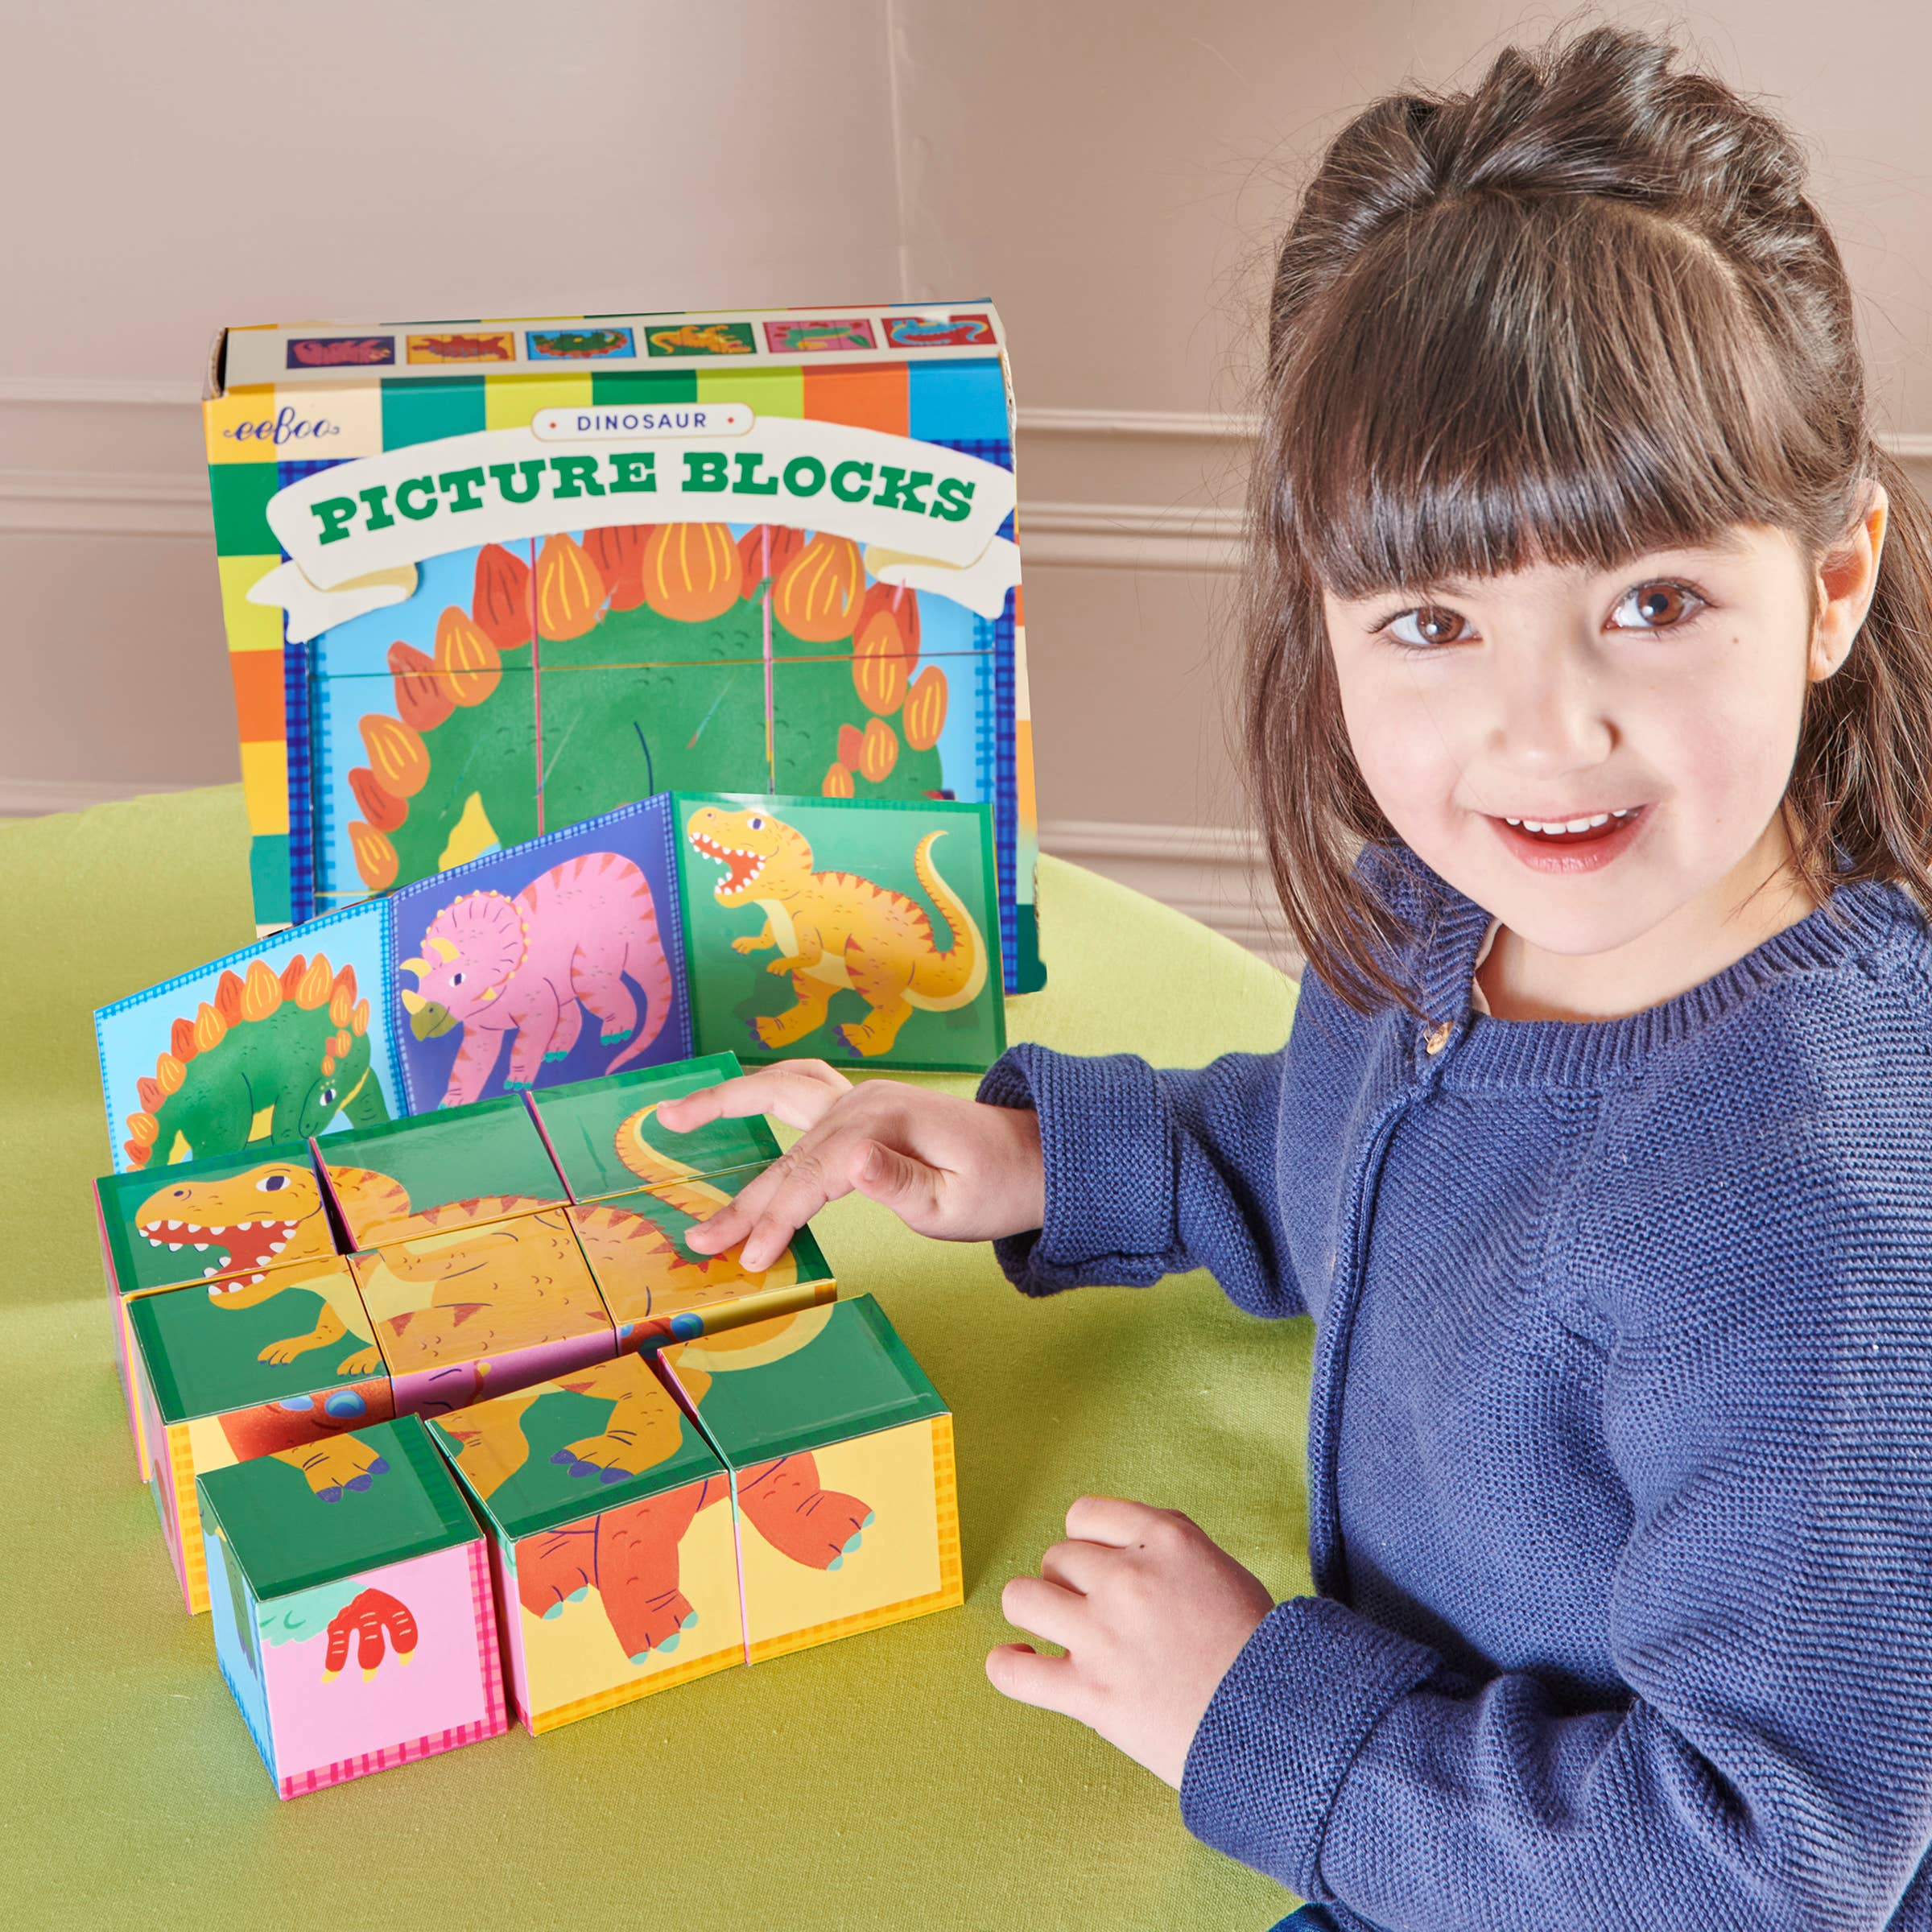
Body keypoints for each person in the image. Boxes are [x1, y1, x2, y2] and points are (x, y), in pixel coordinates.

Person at [654, 22, 1932, 1930]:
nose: (1543, 732)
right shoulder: (1447, 914)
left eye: (1653, 603)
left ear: (1830, 585)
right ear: (1324, 616)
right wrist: (1053, 1161)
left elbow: (1761, 1868)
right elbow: (1378, 1168)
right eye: (1431, 622)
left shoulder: (1814, 1222)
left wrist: (1253, 1712)